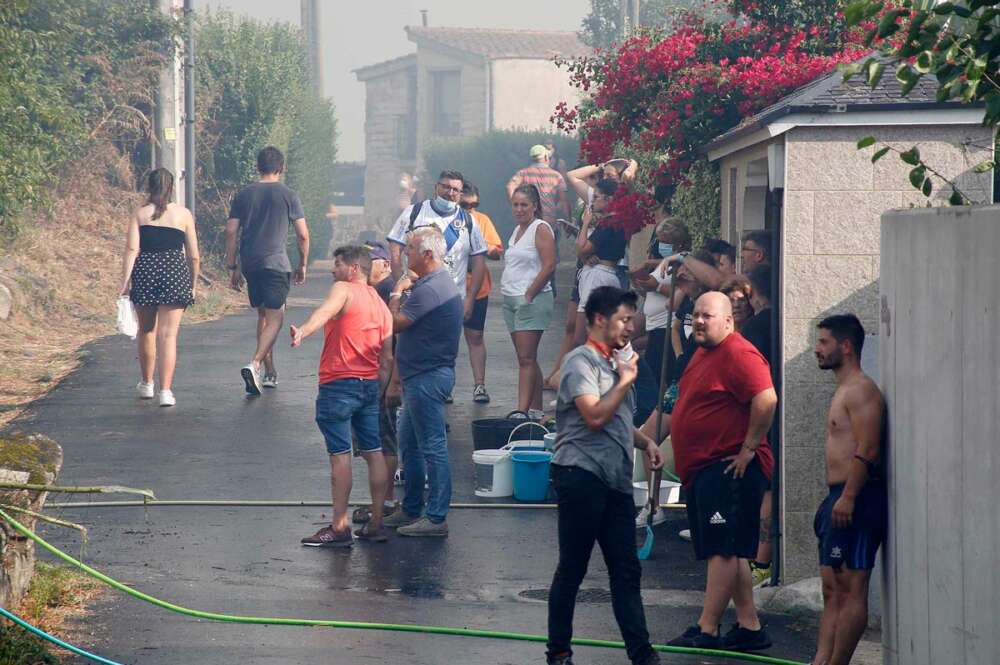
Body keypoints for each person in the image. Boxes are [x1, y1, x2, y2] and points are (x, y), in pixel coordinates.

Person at [546, 286, 663, 665]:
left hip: (615, 480)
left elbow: (616, 418)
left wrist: (644, 441)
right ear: (599, 319)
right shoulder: (581, 362)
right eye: (624, 319)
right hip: (580, 475)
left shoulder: (616, 362)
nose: (631, 327)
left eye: (633, 319)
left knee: (626, 570)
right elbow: (595, 416)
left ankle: (642, 653)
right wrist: (626, 380)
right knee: (573, 568)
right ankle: (559, 651)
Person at [667, 292, 777, 652]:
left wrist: (748, 449)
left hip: (728, 466)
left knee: (723, 551)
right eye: (696, 315)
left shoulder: (739, 353)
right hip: (705, 468)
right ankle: (749, 626)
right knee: (730, 550)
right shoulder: (704, 351)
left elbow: (766, 398)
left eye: (708, 316)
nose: (699, 321)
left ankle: (708, 628)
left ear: (728, 321)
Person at [290, 246, 393, 547]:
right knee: (374, 452)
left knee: (340, 455)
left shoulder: (344, 289)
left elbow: (324, 311)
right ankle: (376, 522)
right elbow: (387, 358)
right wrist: (379, 389)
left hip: (339, 384)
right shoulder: (380, 304)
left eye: (337, 264)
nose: (333, 270)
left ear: (353, 269)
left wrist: (303, 332)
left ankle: (339, 526)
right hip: (368, 385)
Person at [812, 314, 885, 665]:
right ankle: (820, 661)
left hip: (856, 498)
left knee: (851, 587)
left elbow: (868, 448)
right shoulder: (843, 389)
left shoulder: (862, 390)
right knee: (832, 589)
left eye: (824, 342)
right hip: (836, 497)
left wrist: (850, 495)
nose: (817, 349)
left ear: (846, 346)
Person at [383, 227, 463, 537]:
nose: (405, 252)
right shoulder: (433, 283)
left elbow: (394, 324)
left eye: (411, 248)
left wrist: (394, 293)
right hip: (421, 375)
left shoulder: (430, 288)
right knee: (411, 446)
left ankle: (436, 517)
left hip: (428, 378)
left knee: (431, 447)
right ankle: (413, 508)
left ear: (427, 254)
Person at [386, 170, 487, 405]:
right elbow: (394, 247)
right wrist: (400, 281)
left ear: (461, 194)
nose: (450, 193)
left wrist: (471, 298)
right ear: (436, 187)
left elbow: (479, 260)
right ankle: (400, 389)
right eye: (446, 187)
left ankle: (438, 390)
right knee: (407, 339)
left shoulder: (469, 221)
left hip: (451, 297)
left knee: (444, 345)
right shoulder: (414, 212)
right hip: (416, 292)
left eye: (455, 190)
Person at [225, 146, 310, 395]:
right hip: (276, 263)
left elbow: (230, 231)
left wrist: (233, 266)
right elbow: (303, 235)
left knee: (263, 315)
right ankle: (255, 364)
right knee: (277, 317)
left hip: (251, 263)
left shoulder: (243, 195)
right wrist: (302, 264)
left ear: (257, 167)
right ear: (281, 168)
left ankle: (269, 373)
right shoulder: (288, 195)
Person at [119, 168, 200, 407]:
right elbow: (194, 256)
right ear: (171, 187)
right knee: (169, 335)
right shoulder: (183, 215)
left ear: (149, 186)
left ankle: (146, 384)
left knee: (146, 330)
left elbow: (132, 250)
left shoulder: (140, 214)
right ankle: (165, 391)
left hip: (145, 272)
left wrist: (124, 282)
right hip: (175, 273)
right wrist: (192, 284)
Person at [500, 184, 557, 414]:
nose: (519, 209)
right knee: (528, 358)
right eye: (515, 205)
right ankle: (536, 410)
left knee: (525, 359)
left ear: (534, 206)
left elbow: (549, 264)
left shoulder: (540, 228)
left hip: (531, 301)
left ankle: (520, 412)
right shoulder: (517, 230)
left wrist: (529, 294)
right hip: (510, 300)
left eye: (524, 204)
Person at [740, 264, 776, 588]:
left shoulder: (754, 329)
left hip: (760, 419)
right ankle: (760, 561)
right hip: (771, 416)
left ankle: (760, 562)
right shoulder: (773, 321)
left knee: (765, 487)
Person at [460, 183, 504, 404]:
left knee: (475, 336)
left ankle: (479, 385)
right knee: (445, 339)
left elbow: (497, 253)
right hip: (448, 289)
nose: (470, 209)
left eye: (474, 205)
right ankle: (444, 387)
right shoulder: (443, 222)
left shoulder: (482, 220)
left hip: (478, 289)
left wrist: (484, 246)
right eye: (465, 205)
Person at [574, 179, 626, 347]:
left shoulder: (608, 223)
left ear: (609, 199)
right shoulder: (617, 222)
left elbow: (581, 249)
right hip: (606, 274)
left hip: (597, 277)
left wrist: (586, 223)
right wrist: (586, 257)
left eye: (596, 197)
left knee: (584, 337)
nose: (592, 201)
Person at [506, 145, 570, 224]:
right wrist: (568, 221)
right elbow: (563, 202)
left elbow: (510, 187)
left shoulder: (523, 173)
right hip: (548, 219)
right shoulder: (556, 176)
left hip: (529, 218)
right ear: (546, 157)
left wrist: (517, 206)